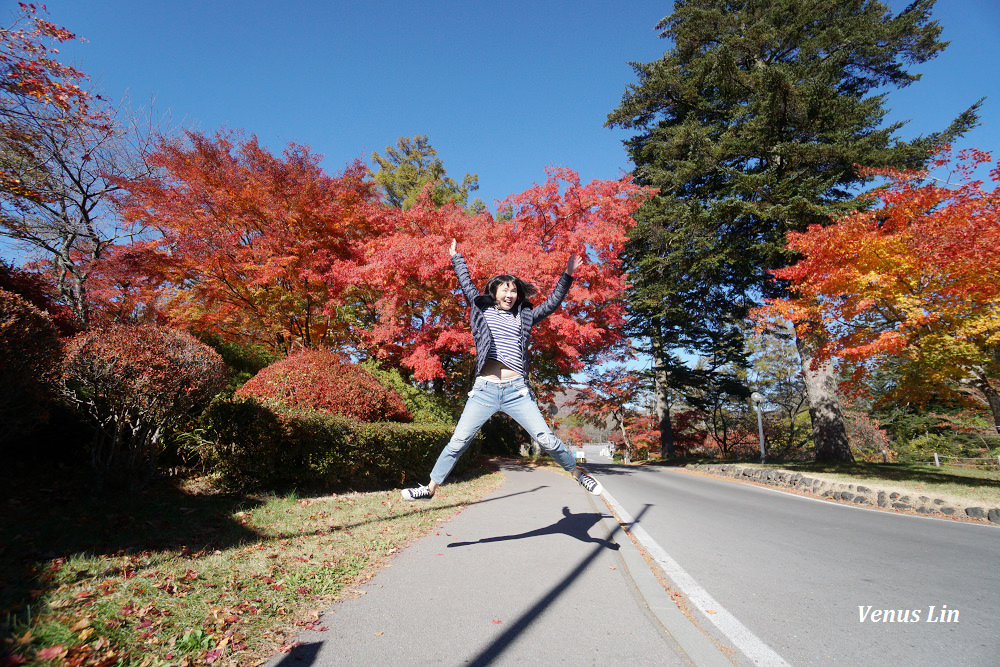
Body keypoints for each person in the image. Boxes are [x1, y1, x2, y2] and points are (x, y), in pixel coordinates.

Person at [401, 239, 603, 501]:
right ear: (494, 292)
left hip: (516, 391)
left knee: (546, 439)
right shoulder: (481, 310)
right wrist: (456, 257)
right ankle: (428, 490)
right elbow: (466, 284)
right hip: (484, 390)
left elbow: (552, 303)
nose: (510, 295)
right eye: (505, 290)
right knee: (458, 442)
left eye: (514, 291)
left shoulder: (525, 316)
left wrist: (568, 274)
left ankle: (579, 474)